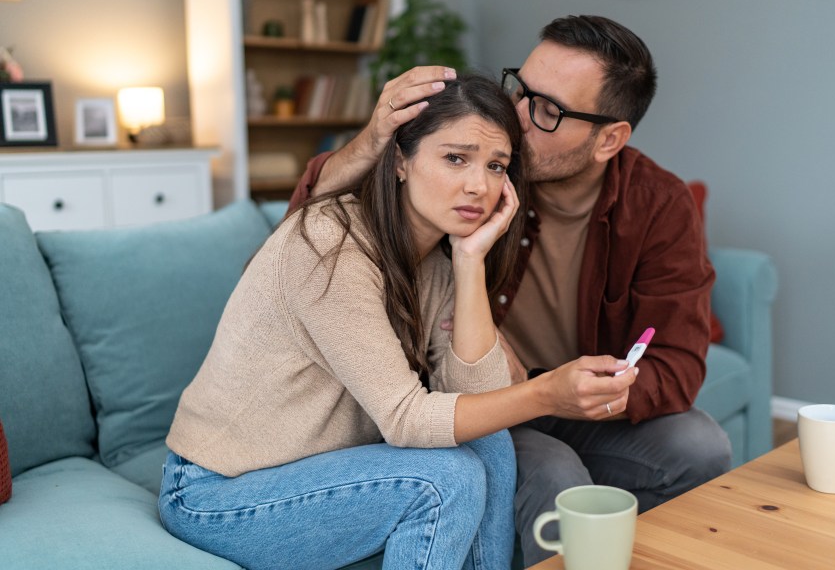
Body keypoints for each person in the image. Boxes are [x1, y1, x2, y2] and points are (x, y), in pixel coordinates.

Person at [287, 16, 730, 567]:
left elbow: (678, 365)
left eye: (549, 111)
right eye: (521, 90)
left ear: (609, 139)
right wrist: (374, 140)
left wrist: (582, 391)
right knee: (556, 475)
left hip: (573, 403)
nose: (517, 119)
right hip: (473, 401)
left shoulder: (658, 205)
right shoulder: (481, 171)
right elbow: (308, 222)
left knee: (700, 446)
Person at [160, 74, 638, 570]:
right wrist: (545, 393)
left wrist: (471, 262)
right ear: (401, 161)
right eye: (456, 158)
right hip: (217, 494)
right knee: (444, 478)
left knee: (489, 440)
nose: (479, 185)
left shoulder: (437, 260)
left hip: (322, 473)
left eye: (496, 166)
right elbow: (406, 418)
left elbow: (475, 398)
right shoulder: (328, 244)